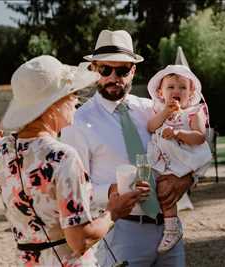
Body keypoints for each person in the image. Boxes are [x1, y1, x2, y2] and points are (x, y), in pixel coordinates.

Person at [0, 55, 148, 267]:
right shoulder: (62, 157)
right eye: (71, 94)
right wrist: (114, 212)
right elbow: (79, 240)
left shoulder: (0, 152)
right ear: (52, 105)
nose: (76, 101)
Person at [61, 30, 193, 266]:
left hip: (170, 228)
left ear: (133, 71)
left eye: (122, 70)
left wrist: (188, 179)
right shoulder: (78, 122)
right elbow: (74, 190)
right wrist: (112, 190)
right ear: (94, 70)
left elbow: (189, 149)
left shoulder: (151, 109)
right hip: (121, 232)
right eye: (106, 70)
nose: (114, 77)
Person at [146, 65, 212, 253]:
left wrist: (177, 133)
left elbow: (199, 136)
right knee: (156, 187)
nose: (177, 91)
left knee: (168, 192)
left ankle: (172, 229)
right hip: (162, 158)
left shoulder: (193, 112)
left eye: (183, 87)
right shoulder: (159, 110)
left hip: (182, 157)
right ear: (160, 92)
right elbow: (151, 127)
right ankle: (159, 223)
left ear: (191, 93)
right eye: (171, 87)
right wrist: (166, 113)